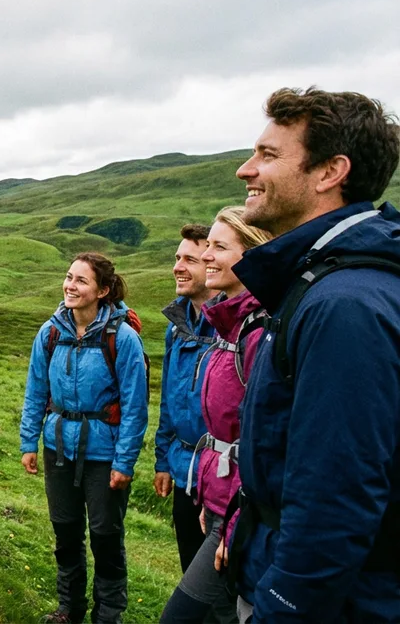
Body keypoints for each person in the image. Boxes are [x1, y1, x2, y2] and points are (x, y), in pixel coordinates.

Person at [225, 87, 400, 622]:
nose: (245, 170)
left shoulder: (342, 305)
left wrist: (281, 607)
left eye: (269, 155)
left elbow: (336, 498)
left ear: (330, 172)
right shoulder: (322, 282)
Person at [20, 252, 149, 624]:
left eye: (81, 280)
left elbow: (135, 406)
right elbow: (36, 391)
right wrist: (30, 442)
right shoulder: (50, 333)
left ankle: (108, 615)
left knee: (106, 536)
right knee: (65, 530)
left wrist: (124, 463)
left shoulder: (122, 338)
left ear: (102, 290)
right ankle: (69, 609)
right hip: (57, 447)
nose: (70, 286)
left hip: (103, 453)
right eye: (68, 277)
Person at [159, 207, 272, 623]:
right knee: (222, 609)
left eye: (217, 248)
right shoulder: (231, 325)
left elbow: (265, 438)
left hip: (241, 510)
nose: (206, 256)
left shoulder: (259, 331)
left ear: (253, 255)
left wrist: (237, 513)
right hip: (216, 497)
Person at [155, 224, 219, 573]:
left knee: (220, 586)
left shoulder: (234, 324)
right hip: (184, 471)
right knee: (189, 567)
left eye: (189, 260)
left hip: (222, 473)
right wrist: (163, 460)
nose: (178, 266)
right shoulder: (177, 325)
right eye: (177, 257)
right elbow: (169, 398)